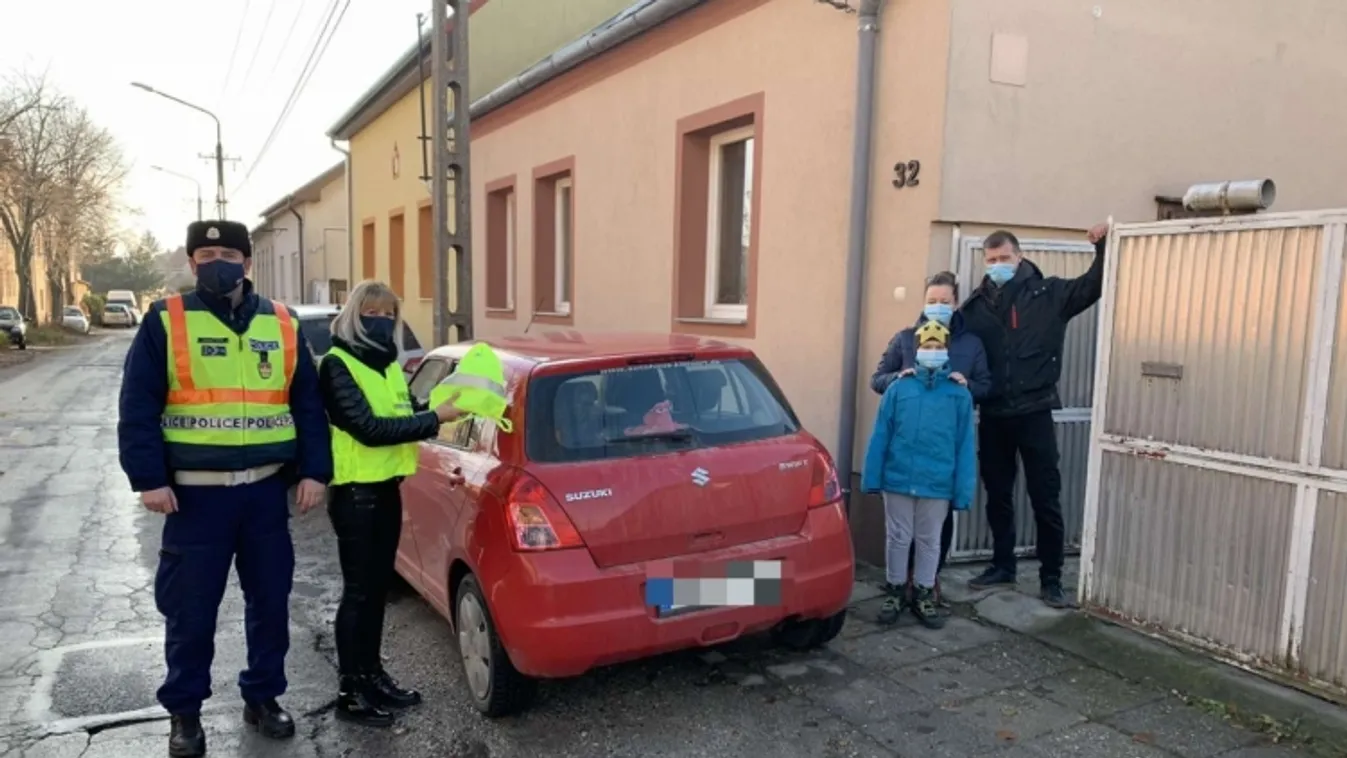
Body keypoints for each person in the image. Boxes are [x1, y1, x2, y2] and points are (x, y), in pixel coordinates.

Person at [118, 220, 331, 758]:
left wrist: (314, 471)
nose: (219, 262)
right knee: (190, 613)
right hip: (194, 499)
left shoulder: (281, 322)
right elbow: (138, 405)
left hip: (264, 494)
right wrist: (148, 479)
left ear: (247, 262)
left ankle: (262, 696)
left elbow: (307, 404)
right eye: (207, 254)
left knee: (271, 605)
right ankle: (185, 713)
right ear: (192, 263)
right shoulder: (166, 320)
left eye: (229, 254)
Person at [318, 280, 467, 727]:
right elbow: (369, 429)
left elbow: (403, 415)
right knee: (359, 594)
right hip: (355, 494)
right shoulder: (337, 365)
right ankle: (350, 691)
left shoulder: (387, 366)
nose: (381, 321)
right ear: (353, 315)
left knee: (376, 592)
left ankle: (373, 676)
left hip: (385, 489)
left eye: (389, 314)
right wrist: (434, 419)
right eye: (372, 313)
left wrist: (441, 406)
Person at [959, 224, 1108, 608]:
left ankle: (1051, 578)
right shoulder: (975, 308)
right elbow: (950, 342)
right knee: (997, 494)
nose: (998, 265)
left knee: (1045, 497)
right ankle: (1002, 565)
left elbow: (1093, 285)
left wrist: (1103, 246)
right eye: (991, 260)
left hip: (1035, 411)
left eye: (1004, 258)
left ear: (1019, 257)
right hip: (994, 414)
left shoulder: (1049, 294)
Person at [870, 271, 991, 607]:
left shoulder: (971, 344)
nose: (938, 307)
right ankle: (899, 584)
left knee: (933, 532)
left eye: (944, 301)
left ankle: (927, 582)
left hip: (939, 461)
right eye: (932, 301)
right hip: (905, 460)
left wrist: (967, 385)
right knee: (900, 533)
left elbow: (986, 386)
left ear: (956, 303)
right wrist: (899, 377)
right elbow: (877, 379)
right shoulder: (905, 339)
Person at [861, 320, 977, 628]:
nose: (932, 351)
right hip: (898, 479)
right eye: (927, 346)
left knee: (929, 540)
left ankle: (924, 592)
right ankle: (895, 590)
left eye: (938, 346)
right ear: (917, 350)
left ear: (947, 350)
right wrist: (872, 476)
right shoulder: (899, 388)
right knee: (898, 538)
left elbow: (965, 445)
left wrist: (962, 490)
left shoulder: (959, 395)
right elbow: (881, 434)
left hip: (937, 483)